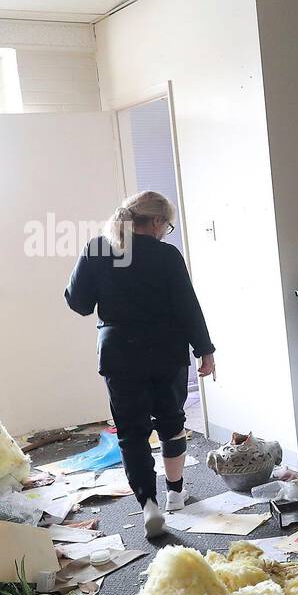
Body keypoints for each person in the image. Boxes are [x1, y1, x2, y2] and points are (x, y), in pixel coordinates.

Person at [64, 191, 215, 538]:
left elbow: (79, 303)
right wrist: (205, 350)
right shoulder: (167, 255)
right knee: (171, 420)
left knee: (132, 432)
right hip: (167, 350)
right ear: (158, 222)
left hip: (120, 352)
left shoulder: (98, 249)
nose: (167, 232)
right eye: (168, 226)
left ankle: (149, 506)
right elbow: (187, 306)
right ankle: (176, 494)